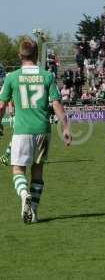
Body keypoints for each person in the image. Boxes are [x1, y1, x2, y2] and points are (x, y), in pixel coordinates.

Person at [0, 39, 71, 223]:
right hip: (43, 130)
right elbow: (56, 104)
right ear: (37, 54)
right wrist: (65, 127)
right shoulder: (47, 76)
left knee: (18, 169)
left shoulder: (12, 77)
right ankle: (33, 212)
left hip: (22, 130)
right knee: (38, 171)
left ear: (19, 55)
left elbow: (1, 105)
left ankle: (24, 195)